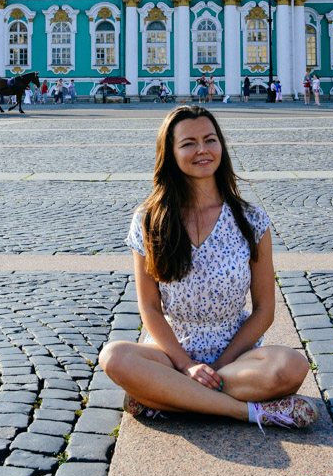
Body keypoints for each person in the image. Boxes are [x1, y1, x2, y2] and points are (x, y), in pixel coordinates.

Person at [99, 105, 318, 431]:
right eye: (188, 143)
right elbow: (149, 307)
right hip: (170, 354)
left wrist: (219, 365)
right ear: (170, 153)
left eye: (210, 139)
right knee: (114, 357)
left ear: (221, 147)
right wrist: (186, 366)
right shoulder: (149, 220)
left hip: (237, 357)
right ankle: (246, 412)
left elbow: (264, 310)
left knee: (292, 366)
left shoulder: (251, 219)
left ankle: (166, 398)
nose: (202, 150)